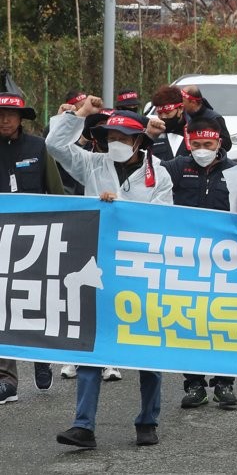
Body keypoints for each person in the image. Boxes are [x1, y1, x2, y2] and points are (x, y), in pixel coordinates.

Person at [47, 99, 173, 449]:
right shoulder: (91, 163)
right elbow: (54, 145)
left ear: (138, 142)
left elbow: (165, 219)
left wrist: (121, 208)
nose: (115, 140)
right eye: (111, 134)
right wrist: (79, 114)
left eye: (123, 135)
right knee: (94, 345)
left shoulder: (159, 173)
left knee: (148, 350)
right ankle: (83, 425)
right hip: (98, 267)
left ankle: (148, 421)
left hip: (141, 269)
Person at [163, 120, 237, 411]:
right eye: (196, 145)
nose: (202, 150)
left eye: (208, 145)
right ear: (188, 143)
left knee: (225, 319)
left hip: (225, 259)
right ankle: (194, 384)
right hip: (185, 257)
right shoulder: (175, 168)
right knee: (188, 320)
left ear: (219, 144)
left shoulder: (235, 171)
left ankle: (224, 383)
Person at [0, 93, 63, 404]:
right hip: (1, 239)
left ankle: (41, 356)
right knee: (3, 305)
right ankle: (6, 378)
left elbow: (56, 191)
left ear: (22, 117)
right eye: (0, 114)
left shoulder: (38, 147)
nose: (5, 120)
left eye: (11, 115)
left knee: (37, 300)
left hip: (37, 238)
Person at [180, 85, 232, 154]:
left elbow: (227, 144)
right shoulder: (184, 115)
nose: (181, 104)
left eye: (183, 101)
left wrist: (208, 144)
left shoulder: (214, 118)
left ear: (193, 102)